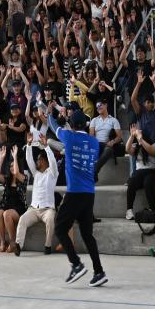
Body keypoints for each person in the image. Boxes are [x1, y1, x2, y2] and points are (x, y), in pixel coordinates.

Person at [49, 106, 108, 287]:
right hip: (89, 193)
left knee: (59, 228)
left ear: (72, 125)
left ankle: (76, 264)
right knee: (87, 234)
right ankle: (99, 272)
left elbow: (52, 125)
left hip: (74, 192)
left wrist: (50, 112)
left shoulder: (69, 137)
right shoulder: (94, 142)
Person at [15, 135, 58, 255]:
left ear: (44, 161)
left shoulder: (52, 173)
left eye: (39, 159)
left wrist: (46, 147)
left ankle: (47, 246)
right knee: (22, 219)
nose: (37, 161)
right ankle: (18, 245)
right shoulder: (36, 173)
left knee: (50, 219)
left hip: (47, 209)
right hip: (33, 209)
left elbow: (53, 161)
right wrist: (28, 145)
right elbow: (29, 161)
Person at [0, 145, 27, 253]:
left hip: (19, 209)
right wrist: (2, 158)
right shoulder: (7, 180)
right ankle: (3, 242)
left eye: (14, 166)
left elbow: (17, 173)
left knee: (6, 214)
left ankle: (13, 242)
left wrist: (15, 157)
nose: (12, 168)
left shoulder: (23, 179)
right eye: (11, 166)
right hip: (7, 207)